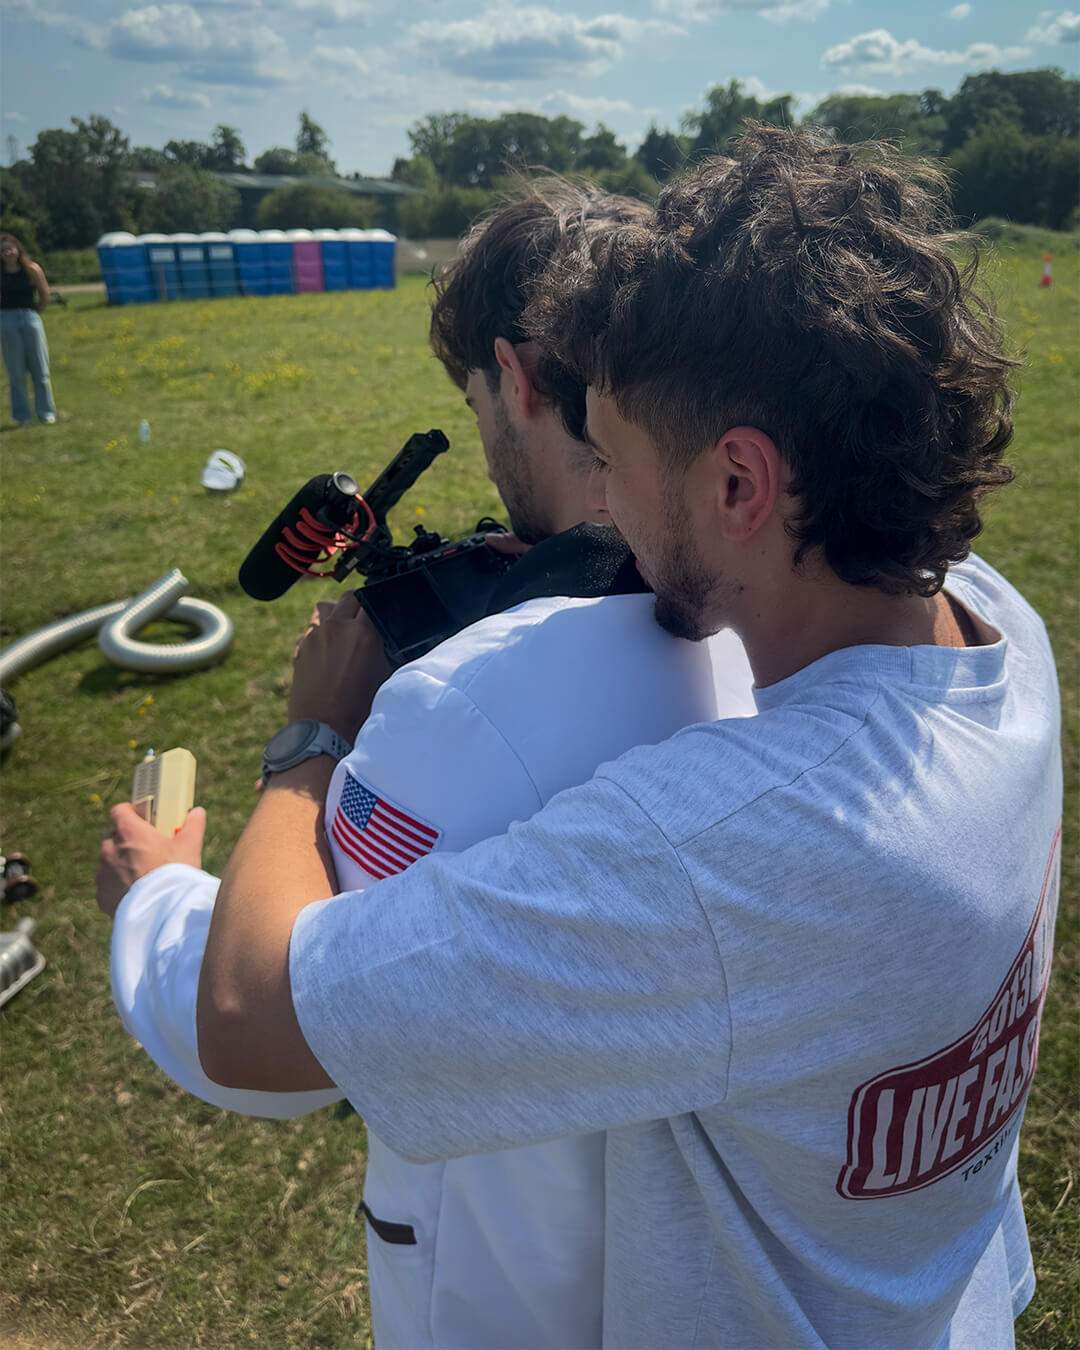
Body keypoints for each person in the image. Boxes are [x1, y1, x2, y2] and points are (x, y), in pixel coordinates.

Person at [147, 125, 1063, 1347]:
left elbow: (250, 1020)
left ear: (738, 486)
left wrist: (309, 741)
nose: (606, 513)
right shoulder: (1001, 629)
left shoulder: (725, 855)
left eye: (618, 456)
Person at [97, 180, 756, 1348]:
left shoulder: (460, 705)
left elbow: (269, 1030)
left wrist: (168, 882)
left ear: (517, 375)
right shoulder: (782, 600)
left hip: (521, 1287)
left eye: (471, 401)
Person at [0, 231, 57, 427]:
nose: (8, 252)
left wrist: (35, 311)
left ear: (18, 248)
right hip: (6, 321)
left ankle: (46, 412)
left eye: (10, 248)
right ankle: (22, 416)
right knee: (15, 372)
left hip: (30, 318)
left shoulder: (32, 269)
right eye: (3, 250)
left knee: (40, 368)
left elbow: (44, 294)